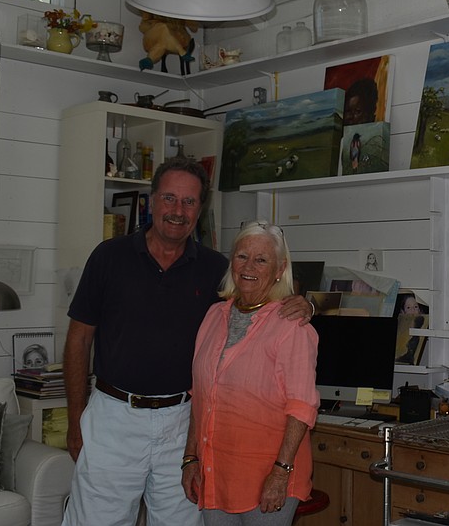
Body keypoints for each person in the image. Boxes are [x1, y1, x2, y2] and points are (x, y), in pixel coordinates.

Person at [61, 157, 314, 526]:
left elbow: (262, 291)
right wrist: (74, 420)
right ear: (152, 201)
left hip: (182, 424)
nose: (178, 211)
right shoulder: (108, 257)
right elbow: (78, 340)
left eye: (189, 201)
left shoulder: (214, 268)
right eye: (169, 198)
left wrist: (306, 304)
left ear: (200, 209)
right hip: (114, 416)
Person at [182, 221, 319, 525]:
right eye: (242, 256)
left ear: (280, 269)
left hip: (269, 476)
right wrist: (190, 457)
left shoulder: (291, 325)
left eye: (261, 260)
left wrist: (280, 473)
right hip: (216, 472)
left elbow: (301, 408)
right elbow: (200, 396)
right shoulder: (213, 316)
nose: (249, 267)